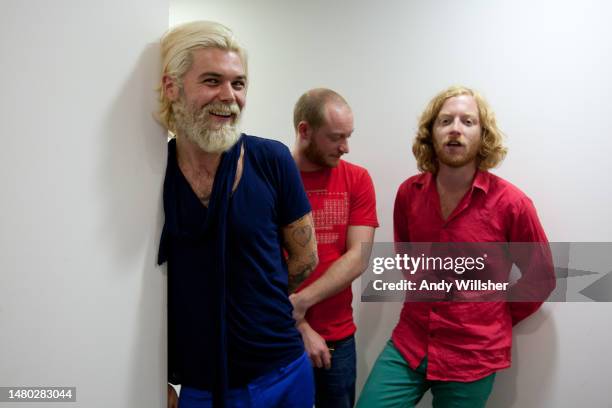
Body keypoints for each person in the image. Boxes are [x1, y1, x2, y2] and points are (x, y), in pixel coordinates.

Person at [357, 86, 555, 408]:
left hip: (472, 356)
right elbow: (405, 253)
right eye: (445, 120)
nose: (455, 129)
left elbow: (542, 276)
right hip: (410, 342)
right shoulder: (409, 193)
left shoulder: (512, 204)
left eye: (467, 121)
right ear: (431, 133)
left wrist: (493, 313)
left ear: (483, 134)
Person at [156, 21, 318, 408]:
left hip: (283, 371)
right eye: (212, 81)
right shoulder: (151, 172)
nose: (229, 97)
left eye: (239, 83)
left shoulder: (270, 159)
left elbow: (305, 258)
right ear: (172, 88)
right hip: (200, 386)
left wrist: (257, 296)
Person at [290, 88, 378, 407]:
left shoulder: (357, 179)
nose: (345, 147)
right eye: (336, 137)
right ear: (304, 131)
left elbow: (359, 257)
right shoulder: (273, 178)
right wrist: (299, 322)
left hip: (338, 338)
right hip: (279, 332)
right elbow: (260, 262)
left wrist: (302, 301)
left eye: (348, 136)